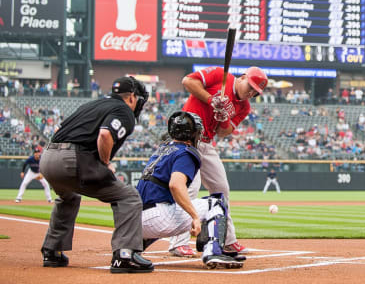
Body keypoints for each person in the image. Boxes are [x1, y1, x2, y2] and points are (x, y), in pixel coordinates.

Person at [39, 76, 153, 273]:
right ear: (132, 97)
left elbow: (62, 129)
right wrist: (104, 163)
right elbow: (105, 134)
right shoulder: (124, 110)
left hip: (48, 158)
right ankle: (124, 254)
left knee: (69, 197)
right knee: (129, 197)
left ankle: (52, 251)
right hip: (72, 159)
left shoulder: (93, 104)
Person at [168, 66, 268, 257]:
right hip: (188, 139)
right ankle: (177, 243)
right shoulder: (222, 76)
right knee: (191, 188)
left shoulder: (244, 107)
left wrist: (224, 117)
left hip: (206, 143)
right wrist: (211, 99)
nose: (251, 92)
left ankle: (228, 241)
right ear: (243, 77)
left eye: (256, 91)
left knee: (222, 190)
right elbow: (187, 81)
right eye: (251, 86)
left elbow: (224, 132)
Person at [137, 111, 244, 269]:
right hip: (156, 219)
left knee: (167, 206)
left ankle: (134, 248)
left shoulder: (162, 149)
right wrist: (194, 216)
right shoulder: (186, 152)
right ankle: (213, 252)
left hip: (135, 222)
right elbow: (175, 185)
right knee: (216, 202)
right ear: (192, 134)